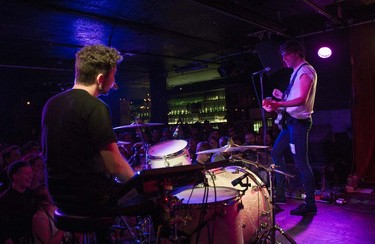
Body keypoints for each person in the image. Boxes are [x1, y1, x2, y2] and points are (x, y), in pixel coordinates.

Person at [41, 45, 163, 240]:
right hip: (89, 199)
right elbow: (114, 164)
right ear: (100, 79)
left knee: (102, 188)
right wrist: (139, 186)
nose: (114, 81)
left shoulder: (51, 104)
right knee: (156, 202)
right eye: (113, 76)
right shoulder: (96, 106)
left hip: (58, 195)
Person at [262, 40, 317, 216]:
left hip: (299, 123)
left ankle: (310, 204)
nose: (283, 59)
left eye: (285, 54)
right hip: (291, 122)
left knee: (302, 162)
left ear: (295, 52)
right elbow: (294, 97)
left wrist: (279, 103)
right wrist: (282, 96)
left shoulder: (306, 70)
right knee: (276, 153)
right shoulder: (296, 72)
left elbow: (302, 99)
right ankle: (280, 193)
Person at [0, 160, 37, 243]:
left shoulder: (33, 195)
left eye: (31, 173)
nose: (31, 176)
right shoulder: (5, 200)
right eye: (27, 174)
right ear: (15, 176)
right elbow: (4, 230)